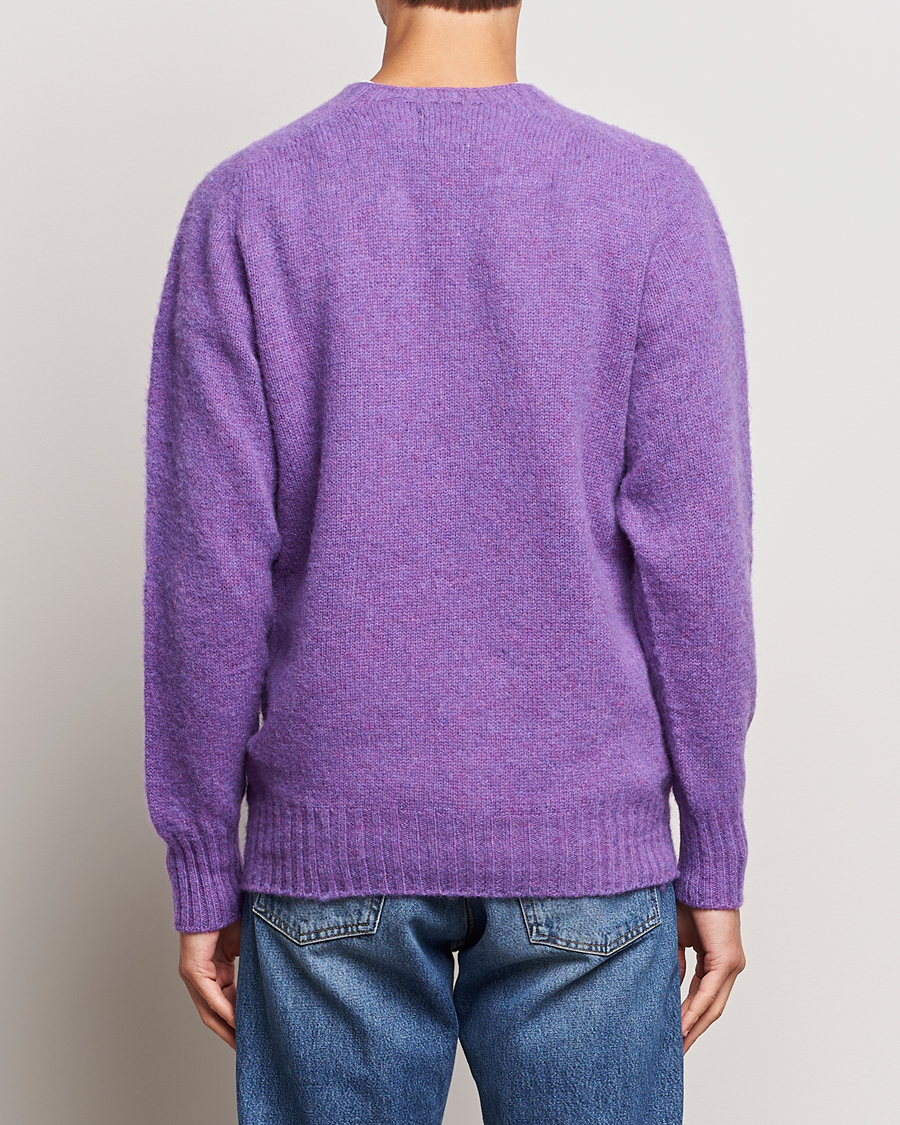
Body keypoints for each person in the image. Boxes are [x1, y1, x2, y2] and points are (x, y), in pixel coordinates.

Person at [143, 0, 755, 1121]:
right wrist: (713, 847)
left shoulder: (248, 207)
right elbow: (696, 567)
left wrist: (201, 863)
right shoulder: (650, 203)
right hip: (583, 842)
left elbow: (207, 572)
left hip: (330, 843)